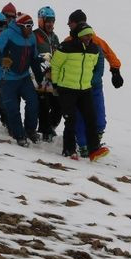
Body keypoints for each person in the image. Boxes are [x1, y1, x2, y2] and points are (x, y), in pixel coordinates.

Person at [65, 9, 123, 154]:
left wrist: (115, 71)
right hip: (77, 86)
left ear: (78, 22)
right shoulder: (69, 41)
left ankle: (95, 139)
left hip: (95, 86)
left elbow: (110, 55)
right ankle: (83, 144)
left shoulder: (96, 41)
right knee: (80, 116)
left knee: (98, 117)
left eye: (70, 23)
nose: (68, 25)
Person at [52, 21, 109, 162]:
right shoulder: (66, 47)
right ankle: (69, 150)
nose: (89, 38)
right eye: (85, 35)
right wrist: (55, 84)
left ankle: (94, 149)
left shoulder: (94, 49)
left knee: (91, 118)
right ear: (78, 36)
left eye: (90, 35)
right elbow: (55, 65)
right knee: (71, 119)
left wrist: (88, 81)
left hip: (85, 89)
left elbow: (93, 66)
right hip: (67, 89)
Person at [0, 12, 44, 146]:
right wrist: (2, 61)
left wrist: (40, 79)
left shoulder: (31, 37)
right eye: (28, 26)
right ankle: (19, 135)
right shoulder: (8, 34)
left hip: (23, 77)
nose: (30, 29)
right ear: (20, 26)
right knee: (13, 108)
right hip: (6, 77)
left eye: (32, 26)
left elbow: (34, 59)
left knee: (33, 102)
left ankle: (30, 130)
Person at [33, 6, 63, 142]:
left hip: (53, 76)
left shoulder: (54, 37)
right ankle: (45, 130)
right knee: (43, 104)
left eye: (52, 21)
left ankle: (49, 127)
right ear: (41, 21)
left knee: (58, 105)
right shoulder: (35, 35)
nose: (51, 24)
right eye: (48, 21)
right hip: (38, 75)